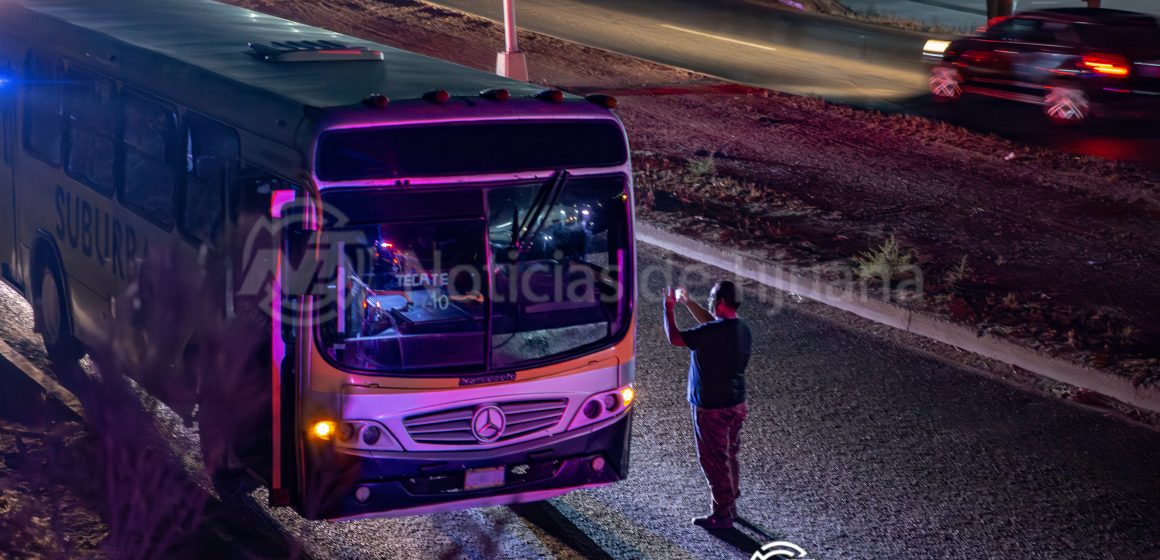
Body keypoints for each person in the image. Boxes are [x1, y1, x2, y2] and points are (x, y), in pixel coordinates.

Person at [663, 281, 752, 529]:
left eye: (712, 297)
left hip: (712, 408)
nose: (710, 301)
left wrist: (668, 308)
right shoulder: (741, 328)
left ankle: (722, 514)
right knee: (730, 454)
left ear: (720, 302)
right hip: (736, 403)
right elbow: (712, 322)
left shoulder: (712, 332)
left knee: (714, 461)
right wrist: (688, 302)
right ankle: (731, 501)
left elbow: (675, 338)